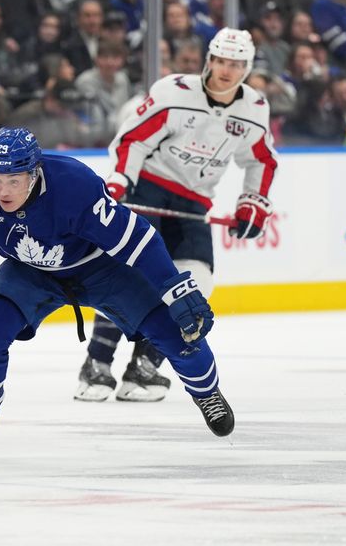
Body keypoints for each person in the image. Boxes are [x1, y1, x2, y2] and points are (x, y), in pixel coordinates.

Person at [0, 126, 234, 461]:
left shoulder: (74, 185)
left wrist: (173, 286)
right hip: (30, 272)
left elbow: (137, 239)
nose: (2, 191)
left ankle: (207, 394)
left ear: (34, 173)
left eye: (13, 181)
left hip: (100, 268)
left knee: (175, 330)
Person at [75, 28, 278, 403]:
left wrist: (253, 201)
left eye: (235, 64)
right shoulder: (173, 91)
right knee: (128, 277)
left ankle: (145, 366)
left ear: (246, 67)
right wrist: (120, 180)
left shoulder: (254, 108)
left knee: (196, 284)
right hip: (147, 190)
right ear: (209, 60)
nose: (226, 70)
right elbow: (133, 139)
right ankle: (97, 363)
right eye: (220, 61)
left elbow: (261, 160)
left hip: (194, 204)